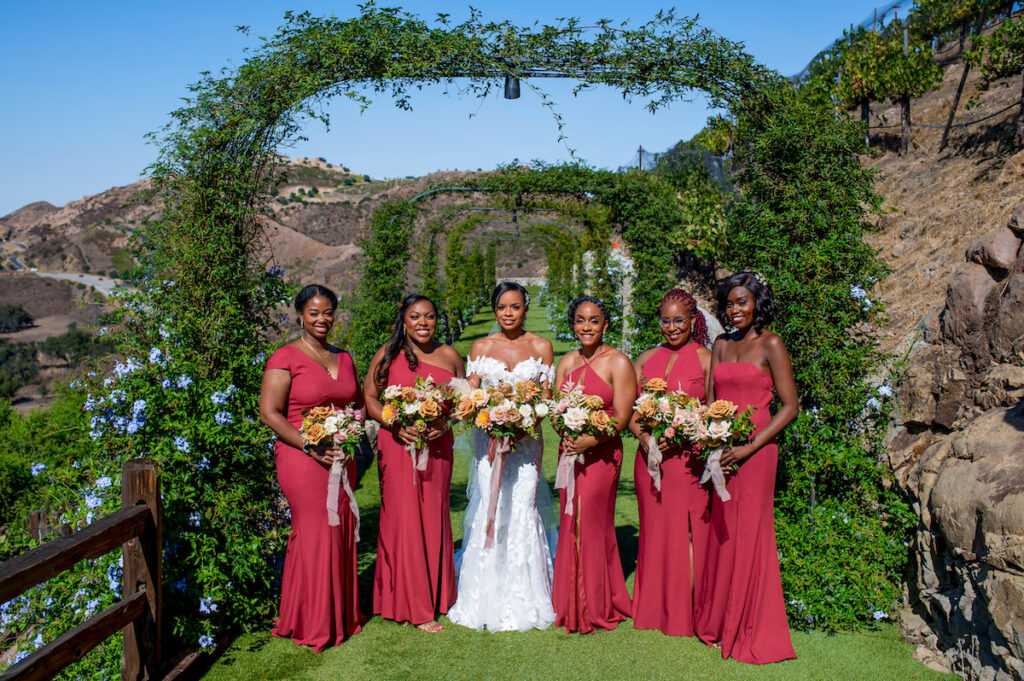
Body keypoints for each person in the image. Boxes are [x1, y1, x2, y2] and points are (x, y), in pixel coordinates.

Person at [695, 272, 798, 664]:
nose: (735, 310)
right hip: (722, 452)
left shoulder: (770, 343)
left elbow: (790, 406)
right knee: (724, 534)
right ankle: (721, 623)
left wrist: (748, 447)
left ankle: (746, 626)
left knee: (749, 535)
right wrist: (710, 439)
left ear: (757, 303)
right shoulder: (720, 345)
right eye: (729, 304)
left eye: (742, 302)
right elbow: (709, 401)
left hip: (756, 453)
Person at [259, 284, 364, 651]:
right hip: (302, 457)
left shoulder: (346, 357)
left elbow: (357, 406)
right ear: (300, 315)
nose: (323, 319)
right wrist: (310, 445)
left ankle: (341, 615)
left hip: (340, 456)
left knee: (340, 529)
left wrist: (348, 440)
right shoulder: (285, 357)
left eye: (329, 312)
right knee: (316, 531)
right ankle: (312, 621)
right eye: (314, 313)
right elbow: (269, 413)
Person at [448, 282, 558, 632]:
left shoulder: (542, 347)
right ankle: (484, 594)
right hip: (489, 444)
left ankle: (525, 596)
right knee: (492, 506)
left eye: (514, 307)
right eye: (501, 307)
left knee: (522, 506)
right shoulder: (482, 346)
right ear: (494, 309)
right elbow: (470, 397)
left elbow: (545, 400)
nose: (508, 313)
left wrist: (522, 425)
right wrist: (492, 423)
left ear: (525, 307)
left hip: (527, 446)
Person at [364, 294, 464, 632]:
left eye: (430, 316)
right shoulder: (388, 355)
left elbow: (463, 402)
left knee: (434, 515)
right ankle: (414, 604)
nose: (423, 323)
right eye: (415, 316)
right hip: (398, 446)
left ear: (438, 320)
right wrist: (393, 423)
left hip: (438, 449)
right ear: (403, 320)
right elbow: (369, 398)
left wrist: (446, 423)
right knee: (403, 519)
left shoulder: (449, 355)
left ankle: (439, 595)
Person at [629, 287, 712, 637]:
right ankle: (653, 609)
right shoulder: (645, 359)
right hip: (650, 460)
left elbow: (715, 411)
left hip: (688, 461)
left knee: (688, 533)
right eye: (666, 320)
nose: (672, 327)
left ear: (693, 320)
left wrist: (685, 429)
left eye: (679, 320)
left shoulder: (708, 358)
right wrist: (646, 438)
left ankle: (686, 612)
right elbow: (630, 412)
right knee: (656, 533)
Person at [551, 296, 635, 633]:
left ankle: (593, 604)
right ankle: (569, 600)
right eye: (581, 320)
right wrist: (566, 432)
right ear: (573, 324)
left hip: (602, 455)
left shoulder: (619, 362)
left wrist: (592, 439)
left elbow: (623, 416)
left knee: (591, 523)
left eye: (594, 320)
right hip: (570, 453)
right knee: (571, 520)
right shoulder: (567, 362)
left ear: (606, 324)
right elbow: (556, 409)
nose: (587, 327)